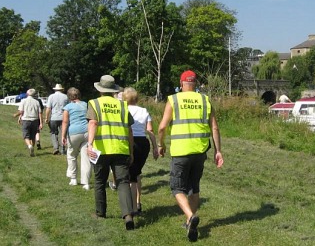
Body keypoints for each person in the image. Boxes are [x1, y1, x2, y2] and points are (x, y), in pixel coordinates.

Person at [157, 70, 224, 242]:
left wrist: (160, 144)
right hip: (200, 151)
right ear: (196, 84)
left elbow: (162, 127)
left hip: (181, 151)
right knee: (194, 187)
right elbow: (214, 128)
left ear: (181, 84)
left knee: (177, 188)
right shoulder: (205, 100)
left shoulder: (174, 99)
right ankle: (189, 222)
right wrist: (218, 151)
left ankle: (190, 216)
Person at [86, 75, 135, 230]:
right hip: (121, 148)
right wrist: (131, 151)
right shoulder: (122, 105)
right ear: (113, 90)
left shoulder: (94, 103)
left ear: (100, 89)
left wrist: (89, 144)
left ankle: (100, 212)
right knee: (123, 182)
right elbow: (129, 130)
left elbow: (93, 123)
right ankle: (128, 215)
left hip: (101, 150)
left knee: (100, 181)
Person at [122, 87, 159, 215]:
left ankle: (132, 208)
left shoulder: (123, 109)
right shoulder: (144, 111)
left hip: (130, 142)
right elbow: (150, 131)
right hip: (143, 143)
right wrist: (155, 147)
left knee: (131, 177)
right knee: (137, 173)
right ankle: (138, 202)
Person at [61, 87, 92, 190]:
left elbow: (65, 122)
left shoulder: (67, 107)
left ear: (69, 96)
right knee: (86, 157)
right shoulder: (85, 104)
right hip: (86, 132)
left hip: (74, 132)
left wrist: (63, 135)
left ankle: (73, 178)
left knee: (71, 155)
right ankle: (86, 183)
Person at [16, 89, 43, 157]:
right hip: (35, 120)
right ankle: (32, 150)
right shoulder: (37, 102)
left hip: (26, 120)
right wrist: (41, 123)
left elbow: (21, 111)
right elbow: (40, 113)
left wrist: (18, 116)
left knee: (26, 136)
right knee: (33, 136)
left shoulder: (24, 101)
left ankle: (29, 145)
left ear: (27, 94)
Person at [46, 84, 69, 155]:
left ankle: (56, 148)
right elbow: (68, 108)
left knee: (53, 133)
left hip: (54, 117)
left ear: (55, 89)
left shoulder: (51, 96)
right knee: (63, 133)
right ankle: (63, 149)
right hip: (63, 117)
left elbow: (48, 108)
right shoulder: (66, 97)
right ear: (62, 89)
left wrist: (46, 117)